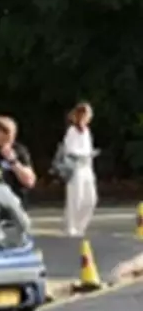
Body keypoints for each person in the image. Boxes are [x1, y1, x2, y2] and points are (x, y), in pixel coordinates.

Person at [57, 101, 99, 237]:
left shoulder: (87, 131)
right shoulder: (72, 131)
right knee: (76, 198)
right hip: (75, 168)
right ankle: (71, 227)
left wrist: (90, 154)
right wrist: (85, 154)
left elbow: (88, 149)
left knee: (91, 199)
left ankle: (81, 226)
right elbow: (69, 150)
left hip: (87, 167)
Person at [0, 115, 37, 205]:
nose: (4, 136)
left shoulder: (19, 150)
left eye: (8, 132)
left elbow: (30, 181)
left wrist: (13, 161)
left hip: (14, 201)